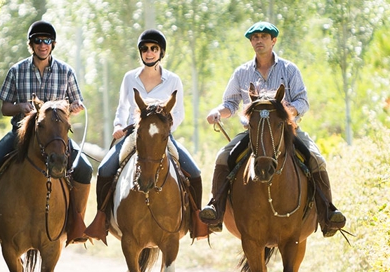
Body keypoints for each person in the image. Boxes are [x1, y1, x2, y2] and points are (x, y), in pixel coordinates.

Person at [199, 21, 346, 237]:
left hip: (286, 131)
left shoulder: (289, 69)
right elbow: (230, 104)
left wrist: (289, 111)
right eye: (255, 37)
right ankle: (216, 210)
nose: (259, 40)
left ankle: (327, 215)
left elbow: (303, 101)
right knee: (223, 156)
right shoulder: (242, 73)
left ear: (273, 40)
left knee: (316, 158)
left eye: (264, 37)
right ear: (251, 42)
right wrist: (217, 113)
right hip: (254, 133)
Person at [0, 20, 92, 245]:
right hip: (22, 134)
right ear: (31, 45)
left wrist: (75, 109)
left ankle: (76, 222)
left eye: (47, 41)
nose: (43, 45)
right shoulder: (16, 71)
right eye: (38, 41)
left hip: (56, 137)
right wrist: (20, 107)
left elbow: (75, 103)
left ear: (53, 44)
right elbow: (4, 107)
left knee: (85, 170)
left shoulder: (66, 71)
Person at [85, 29, 208, 242]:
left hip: (162, 136)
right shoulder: (129, 78)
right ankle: (101, 219)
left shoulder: (173, 80)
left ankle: (197, 220)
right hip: (134, 134)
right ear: (140, 52)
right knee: (105, 169)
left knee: (194, 172)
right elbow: (123, 107)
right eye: (145, 49)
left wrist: (166, 129)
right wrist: (118, 125)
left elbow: (178, 112)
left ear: (161, 52)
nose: (149, 53)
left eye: (154, 49)